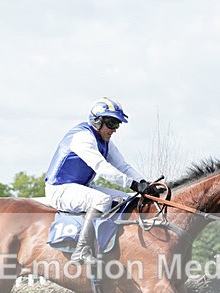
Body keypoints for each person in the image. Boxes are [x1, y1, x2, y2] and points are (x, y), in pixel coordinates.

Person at [44, 97, 160, 265]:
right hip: (59, 189)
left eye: (117, 124)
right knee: (102, 200)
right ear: (97, 121)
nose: (114, 129)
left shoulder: (105, 142)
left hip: (80, 186)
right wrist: (134, 185)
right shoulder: (82, 137)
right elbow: (102, 168)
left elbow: (123, 166)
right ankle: (81, 251)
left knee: (127, 200)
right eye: (111, 123)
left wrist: (145, 183)